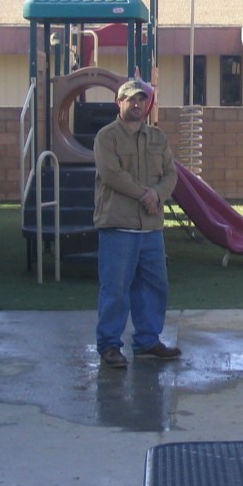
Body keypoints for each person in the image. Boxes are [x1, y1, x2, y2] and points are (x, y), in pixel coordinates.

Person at [93, 78, 179, 368]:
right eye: (130, 99)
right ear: (119, 103)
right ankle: (109, 346)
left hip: (151, 228)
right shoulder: (107, 137)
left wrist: (157, 193)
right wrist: (145, 194)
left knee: (155, 286)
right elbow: (112, 175)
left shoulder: (158, 138)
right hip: (118, 226)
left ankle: (147, 341)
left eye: (141, 99)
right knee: (115, 289)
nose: (137, 104)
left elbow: (171, 174)